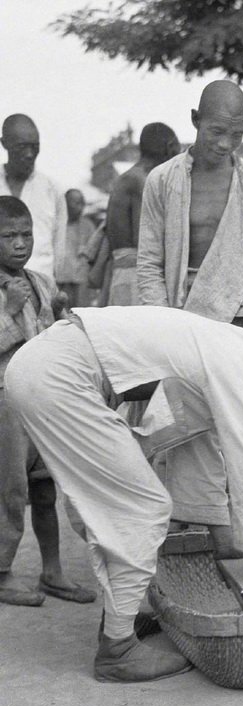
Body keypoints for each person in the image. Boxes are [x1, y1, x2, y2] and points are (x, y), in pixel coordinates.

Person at [5, 305, 243, 682]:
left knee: (126, 505)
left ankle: (118, 623)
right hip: (57, 375)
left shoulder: (226, 351)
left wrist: (220, 533)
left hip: (45, 367)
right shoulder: (242, 367)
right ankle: (117, 651)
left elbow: (195, 438)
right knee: (142, 509)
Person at [137, 81, 243, 545]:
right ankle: (188, 527)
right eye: (216, 131)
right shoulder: (162, 180)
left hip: (238, 322)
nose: (225, 145)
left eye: (236, 135)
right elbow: (148, 263)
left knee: (241, 432)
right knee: (181, 430)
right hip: (180, 321)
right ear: (194, 120)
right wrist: (159, 328)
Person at [0, 196, 95, 607]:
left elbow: (57, 340)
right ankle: (2, 573)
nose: (20, 244)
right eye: (8, 236)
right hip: (5, 404)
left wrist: (60, 316)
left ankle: (52, 571)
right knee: (10, 491)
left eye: (26, 234)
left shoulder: (42, 282)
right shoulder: (11, 292)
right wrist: (9, 311)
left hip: (41, 403)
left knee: (44, 489)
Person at [105, 123, 180, 305]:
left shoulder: (129, 178)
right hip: (137, 277)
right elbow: (145, 240)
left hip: (127, 274)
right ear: (170, 148)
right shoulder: (141, 181)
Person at [0, 115, 66, 280]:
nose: (29, 154)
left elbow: (59, 247)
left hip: (40, 291)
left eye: (34, 147)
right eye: (21, 146)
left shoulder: (52, 189)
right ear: (4, 143)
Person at [57, 189, 94, 307]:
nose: (80, 207)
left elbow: (94, 251)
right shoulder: (56, 224)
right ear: (65, 203)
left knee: (80, 313)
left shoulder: (88, 225)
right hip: (60, 279)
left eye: (82, 203)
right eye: (76, 203)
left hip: (81, 280)